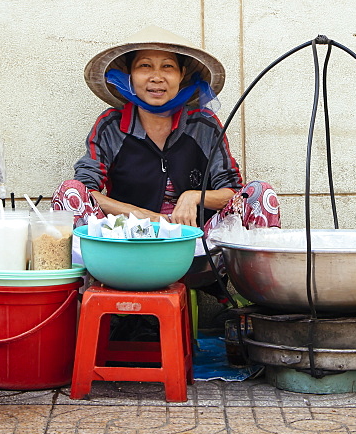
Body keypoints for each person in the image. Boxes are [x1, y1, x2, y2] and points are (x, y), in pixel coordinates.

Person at [52, 25, 280, 294]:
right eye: (145, 66)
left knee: (260, 193)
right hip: (128, 245)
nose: (156, 77)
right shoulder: (110, 126)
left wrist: (193, 197)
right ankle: (82, 300)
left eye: (168, 67)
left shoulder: (203, 125)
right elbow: (86, 190)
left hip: (195, 247)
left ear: (182, 75)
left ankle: (256, 306)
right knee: (69, 191)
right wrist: (145, 217)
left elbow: (232, 191)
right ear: (130, 75)